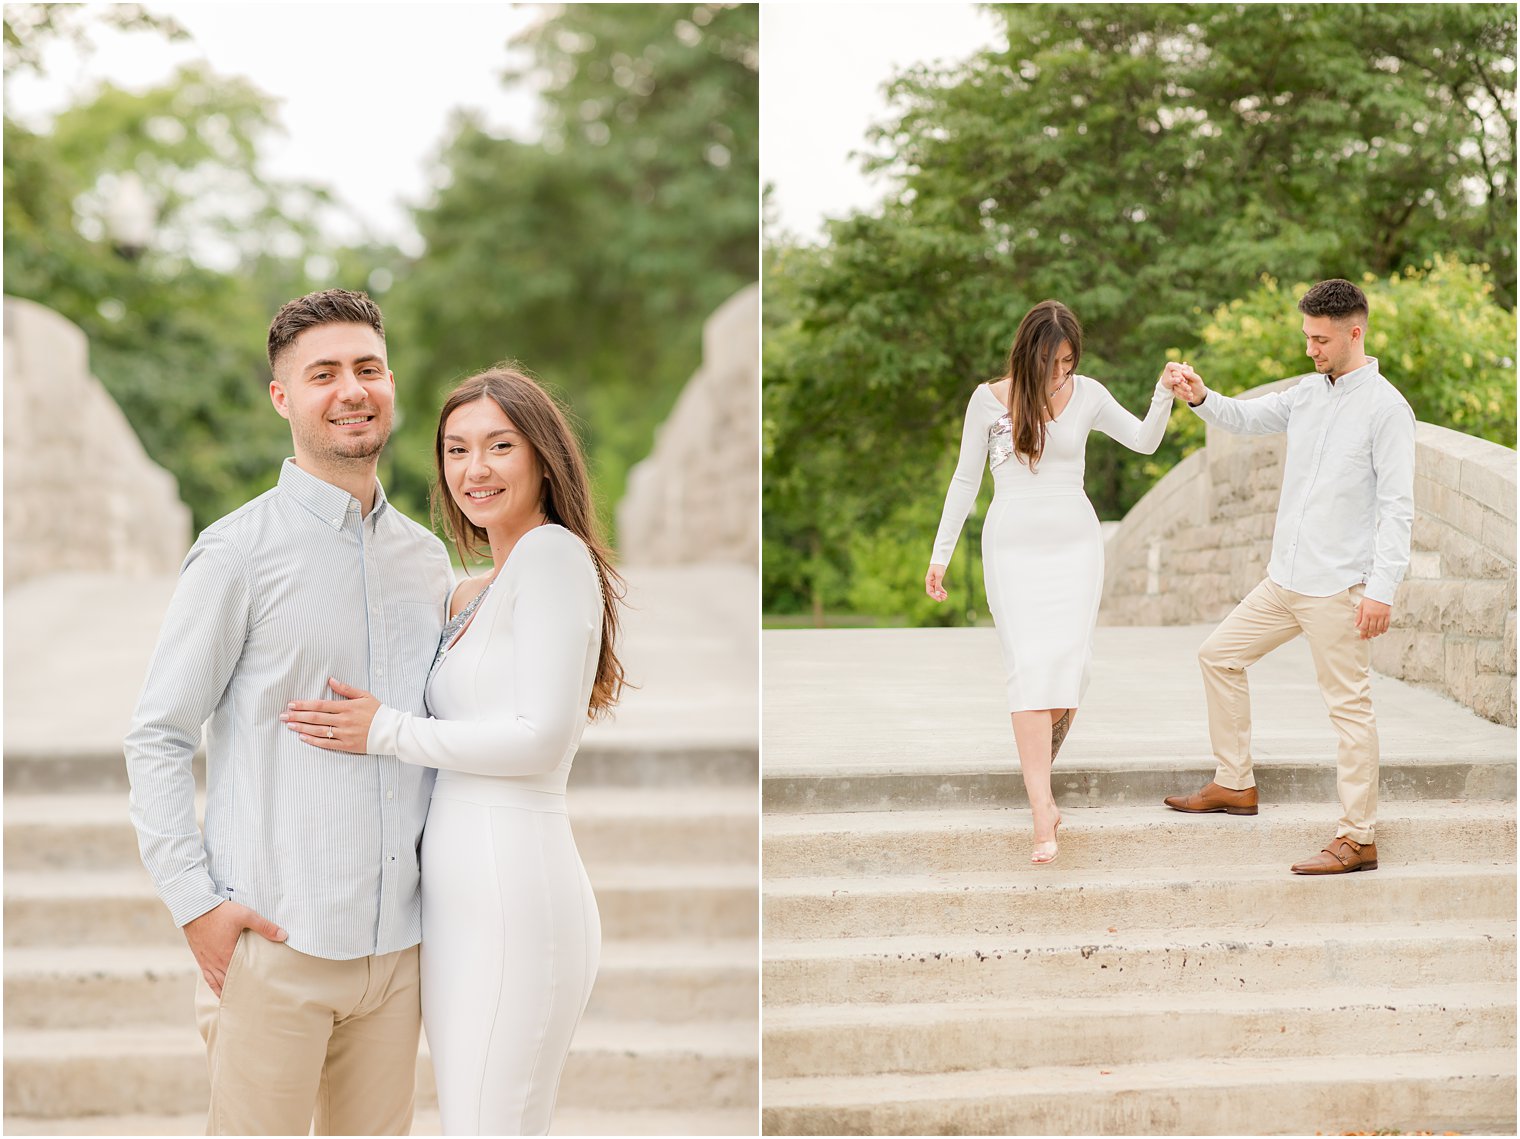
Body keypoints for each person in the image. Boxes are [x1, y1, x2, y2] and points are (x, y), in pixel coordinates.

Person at [125, 289, 455, 1134]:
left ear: (392, 382)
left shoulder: (427, 559)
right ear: (283, 397)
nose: (352, 389)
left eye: (368, 368)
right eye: (324, 374)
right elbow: (159, 735)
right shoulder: (238, 551)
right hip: (278, 946)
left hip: (398, 958)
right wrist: (194, 902)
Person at [281, 366, 626, 1135]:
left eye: (500, 446)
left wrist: (387, 731)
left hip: (514, 889)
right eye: (456, 448)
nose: (475, 469)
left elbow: (542, 737)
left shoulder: (553, 558)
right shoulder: (478, 587)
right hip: (460, 897)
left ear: (543, 457)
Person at [1162, 278, 1415, 875]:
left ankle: (1358, 838)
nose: (1310, 349)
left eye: (1320, 340)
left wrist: (1381, 589)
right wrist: (1201, 397)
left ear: (1356, 333)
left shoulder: (1387, 410)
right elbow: (1247, 418)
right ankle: (1235, 783)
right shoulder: (1306, 392)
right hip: (1283, 581)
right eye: (1306, 337)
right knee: (1217, 655)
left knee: (1349, 711)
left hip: (1339, 590)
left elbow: (1398, 509)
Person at [926, 299, 1179, 864]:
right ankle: (1043, 807)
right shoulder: (987, 401)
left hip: (1075, 544)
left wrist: (1162, 393)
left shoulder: (1087, 393)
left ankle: (1039, 770)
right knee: (1028, 667)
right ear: (1027, 353)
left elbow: (1143, 441)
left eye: (1069, 360)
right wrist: (940, 554)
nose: (1061, 372)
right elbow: (966, 481)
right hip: (1012, 543)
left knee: (1071, 670)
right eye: (1052, 361)